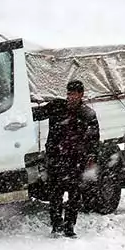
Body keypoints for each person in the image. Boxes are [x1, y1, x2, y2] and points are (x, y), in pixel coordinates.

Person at [44, 79, 100, 237]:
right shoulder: (57, 107)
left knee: (74, 196)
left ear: (81, 94)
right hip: (57, 159)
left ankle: (69, 226)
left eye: (74, 94)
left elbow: (94, 139)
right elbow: (37, 114)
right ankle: (56, 225)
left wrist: (90, 158)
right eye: (68, 94)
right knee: (55, 195)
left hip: (76, 161)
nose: (70, 97)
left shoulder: (88, 114)